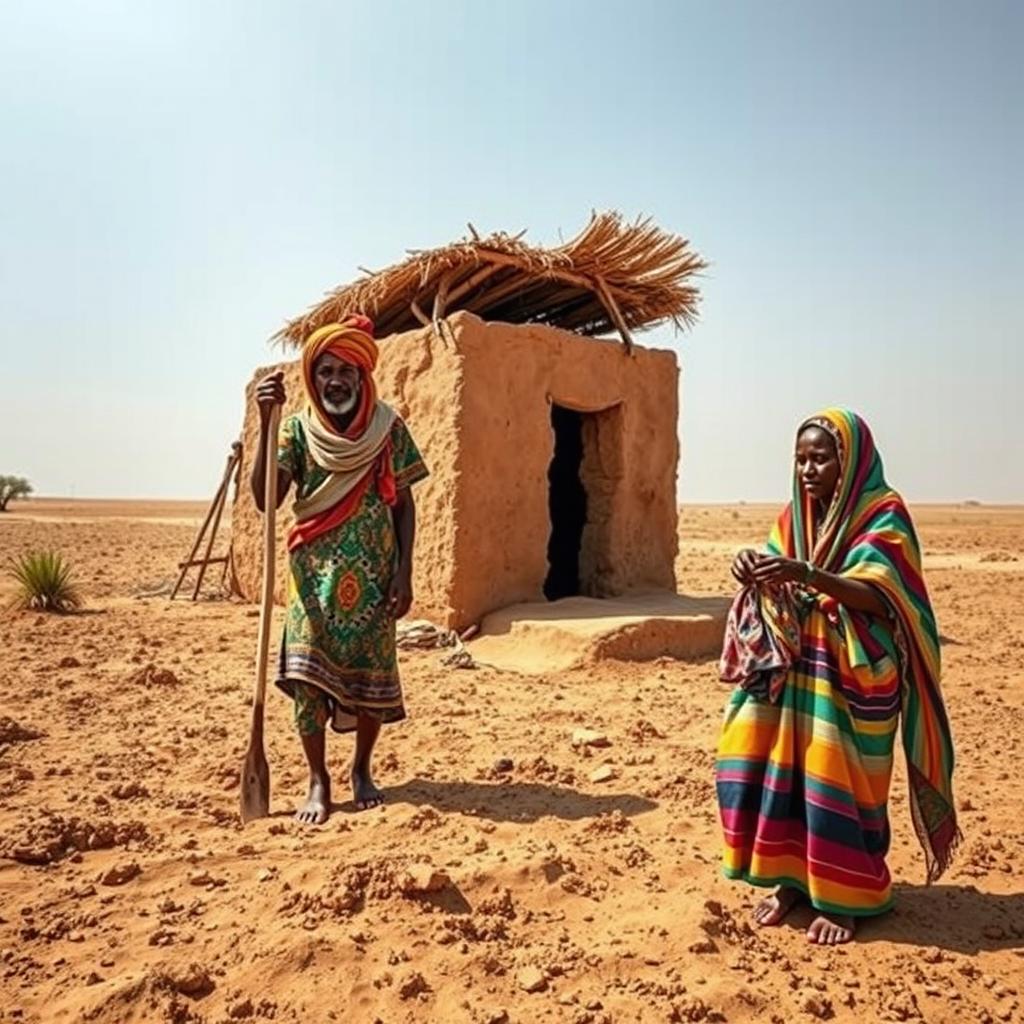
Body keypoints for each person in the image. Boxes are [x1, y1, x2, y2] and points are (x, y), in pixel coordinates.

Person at [715, 408, 959, 944]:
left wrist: (806, 574)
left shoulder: (883, 513)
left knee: (840, 781)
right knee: (772, 767)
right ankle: (789, 882)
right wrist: (754, 568)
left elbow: (883, 595)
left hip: (856, 676)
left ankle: (845, 897)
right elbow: (777, 559)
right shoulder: (797, 515)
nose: (807, 470)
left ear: (848, 462)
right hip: (798, 668)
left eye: (819, 458)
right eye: (800, 459)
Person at [251, 315, 428, 824]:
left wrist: (404, 573)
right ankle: (317, 780)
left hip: (374, 581)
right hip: (311, 581)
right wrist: (266, 425)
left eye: (346, 370)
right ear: (314, 377)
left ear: (361, 376)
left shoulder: (388, 429)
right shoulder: (297, 432)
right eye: (326, 370)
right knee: (307, 682)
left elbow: (405, 506)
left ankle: (362, 770)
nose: (336, 380)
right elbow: (268, 500)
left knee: (371, 676)